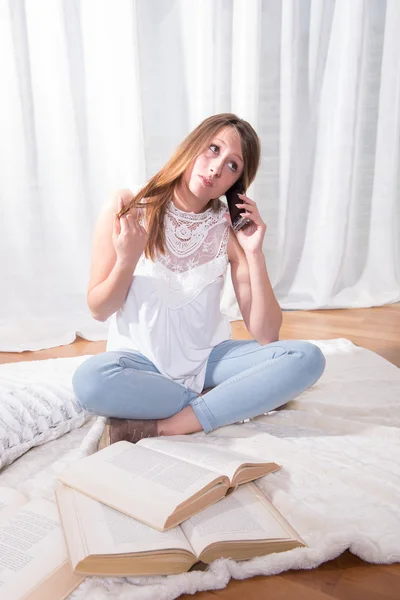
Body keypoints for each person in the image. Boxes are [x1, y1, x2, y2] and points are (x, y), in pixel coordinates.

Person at [72, 113, 326, 447]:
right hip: (140, 364)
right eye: (213, 149)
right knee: (91, 382)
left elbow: (267, 334)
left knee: (306, 358)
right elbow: (98, 309)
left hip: (209, 362)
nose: (217, 168)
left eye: (233, 166)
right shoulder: (129, 206)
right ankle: (225, 400)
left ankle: (171, 425)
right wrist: (128, 259)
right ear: (193, 145)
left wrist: (254, 254)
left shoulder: (229, 230)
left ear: (235, 183)